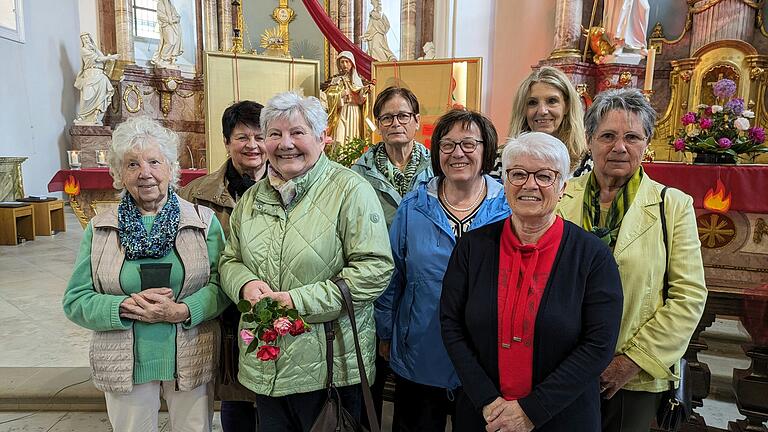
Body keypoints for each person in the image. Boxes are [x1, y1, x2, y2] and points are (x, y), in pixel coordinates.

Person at [218, 92, 394, 431]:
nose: (286, 144)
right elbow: (231, 258)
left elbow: (374, 270)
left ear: (321, 136)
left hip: (330, 369)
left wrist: (295, 302)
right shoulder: (252, 198)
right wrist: (243, 283)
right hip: (267, 364)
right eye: (274, 134)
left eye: (297, 132)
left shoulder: (350, 191)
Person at [441, 132, 624, 431]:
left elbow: (598, 345)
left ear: (563, 186)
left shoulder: (593, 257)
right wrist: (487, 400)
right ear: (504, 182)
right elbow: (451, 324)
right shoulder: (473, 248)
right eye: (518, 174)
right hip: (484, 416)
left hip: (563, 416)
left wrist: (532, 411)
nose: (529, 184)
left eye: (544, 176)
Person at [62, 116, 229, 432]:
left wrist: (183, 310)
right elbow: (76, 300)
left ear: (170, 168)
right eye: (132, 164)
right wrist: (122, 307)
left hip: (190, 355)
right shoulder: (101, 229)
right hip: (125, 361)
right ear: (119, 174)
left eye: (154, 161)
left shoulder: (203, 222)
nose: (145, 173)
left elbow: (222, 285)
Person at [557, 88, 707, 432]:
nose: (619, 147)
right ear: (590, 140)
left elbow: (688, 297)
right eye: (607, 136)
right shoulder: (561, 195)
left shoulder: (673, 205)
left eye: (632, 137)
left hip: (632, 376)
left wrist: (630, 361)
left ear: (647, 142)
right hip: (561, 366)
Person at [376, 109, 510, 431]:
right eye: (447, 145)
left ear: (486, 149)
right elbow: (391, 275)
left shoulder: (508, 208)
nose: (457, 153)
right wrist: (385, 332)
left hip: (485, 361)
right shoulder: (414, 206)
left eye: (468, 144)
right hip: (420, 353)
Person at [178, 100, 265, 431]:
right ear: (227, 142)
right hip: (225, 312)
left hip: (275, 307)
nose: (252, 146)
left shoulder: (291, 187)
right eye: (242, 137)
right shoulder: (195, 194)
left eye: (260, 136)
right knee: (235, 395)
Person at [352, 86, 433, 227]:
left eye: (403, 116)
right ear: (378, 124)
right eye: (387, 118)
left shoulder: (436, 167)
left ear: (417, 121)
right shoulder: (360, 173)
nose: (395, 124)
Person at [497, 66, 588, 177]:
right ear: (522, 109)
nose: (542, 111)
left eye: (552, 101)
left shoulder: (586, 161)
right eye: (532, 103)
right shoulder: (500, 159)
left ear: (567, 106)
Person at [322, 51, 373, 146]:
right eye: (342, 62)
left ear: (352, 63)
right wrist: (341, 94)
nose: (345, 64)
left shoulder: (357, 81)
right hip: (341, 111)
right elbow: (329, 96)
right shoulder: (336, 80)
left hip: (354, 111)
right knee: (340, 135)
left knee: (353, 135)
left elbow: (361, 101)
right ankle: (339, 157)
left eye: (347, 62)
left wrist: (365, 91)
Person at [74, 32, 119, 126]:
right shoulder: (83, 50)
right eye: (83, 39)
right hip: (90, 76)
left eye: (87, 38)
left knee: (101, 98)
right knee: (86, 98)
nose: (86, 40)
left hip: (100, 75)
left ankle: (96, 116)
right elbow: (98, 59)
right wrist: (112, 57)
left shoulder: (94, 49)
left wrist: (95, 48)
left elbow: (101, 58)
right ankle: (83, 117)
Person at [152, 0, 183, 68]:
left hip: (174, 26)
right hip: (166, 25)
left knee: (175, 42)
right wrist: (169, 20)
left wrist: (176, 19)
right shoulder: (160, 3)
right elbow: (160, 15)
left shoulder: (171, 4)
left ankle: (169, 60)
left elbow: (177, 15)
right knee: (170, 42)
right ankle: (162, 59)